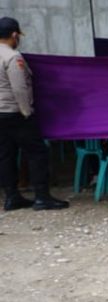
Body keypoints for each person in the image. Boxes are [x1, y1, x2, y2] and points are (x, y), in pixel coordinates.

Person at [0, 17, 68, 211]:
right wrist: (26, 112)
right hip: (15, 113)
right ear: (14, 35)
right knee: (37, 153)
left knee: (5, 155)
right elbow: (20, 88)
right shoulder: (13, 57)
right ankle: (41, 196)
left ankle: (12, 197)